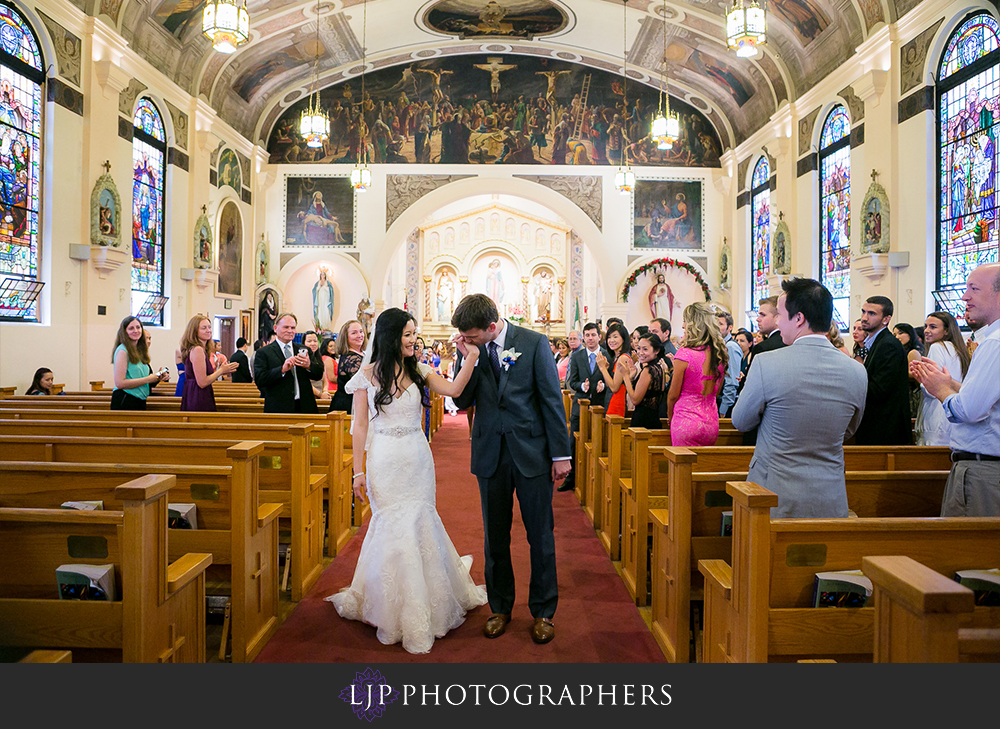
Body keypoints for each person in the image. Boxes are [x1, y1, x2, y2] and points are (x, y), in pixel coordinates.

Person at [325, 308, 487, 654]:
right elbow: (360, 427)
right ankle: (391, 605)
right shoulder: (365, 376)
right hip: (384, 458)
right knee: (390, 524)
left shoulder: (421, 370)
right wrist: (358, 470)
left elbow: (456, 389)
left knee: (420, 520)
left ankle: (426, 600)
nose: (413, 340)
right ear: (390, 336)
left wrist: (470, 356)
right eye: (407, 334)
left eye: (415, 333)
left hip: (416, 458)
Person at [451, 294, 571, 645]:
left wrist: (560, 454)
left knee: (540, 536)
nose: (466, 339)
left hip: (532, 452)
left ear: (491, 326)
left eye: (471, 335)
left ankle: (544, 611)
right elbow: (461, 400)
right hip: (491, 453)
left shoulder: (533, 343)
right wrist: (467, 356)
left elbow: (550, 398)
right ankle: (500, 607)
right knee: (495, 537)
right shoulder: (471, 349)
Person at [732, 278, 868, 517]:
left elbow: (741, 421)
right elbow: (849, 430)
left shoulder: (768, 363)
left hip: (774, 494)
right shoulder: (856, 370)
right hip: (830, 495)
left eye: (780, 314)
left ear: (799, 318)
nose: (777, 321)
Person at [911, 263, 1000, 517]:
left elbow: (969, 411)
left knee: (970, 554)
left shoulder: (994, 342)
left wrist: (940, 390)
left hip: (984, 470)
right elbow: (990, 400)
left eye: (974, 289)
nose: (964, 297)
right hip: (989, 467)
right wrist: (953, 385)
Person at [667, 302, 728, 446]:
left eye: (685, 321)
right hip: (711, 423)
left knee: (682, 468)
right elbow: (716, 391)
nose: (683, 326)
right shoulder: (719, 354)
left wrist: (671, 416)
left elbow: (673, 395)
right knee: (703, 467)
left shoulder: (685, 354)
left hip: (686, 421)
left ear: (693, 324)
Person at [854, 296, 913, 445]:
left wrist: (851, 378)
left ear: (886, 319)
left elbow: (879, 389)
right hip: (877, 425)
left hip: (885, 428)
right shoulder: (877, 342)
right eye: (863, 312)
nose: (864, 318)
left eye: (872, 314)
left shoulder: (888, 345)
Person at [561, 322, 609, 492]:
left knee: (597, 443)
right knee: (573, 443)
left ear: (599, 337)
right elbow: (572, 382)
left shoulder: (606, 355)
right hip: (579, 405)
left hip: (598, 406)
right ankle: (571, 478)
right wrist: (582, 386)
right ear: (584, 337)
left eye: (593, 335)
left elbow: (612, 382)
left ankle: (594, 483)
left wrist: (604, 386)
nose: (590, 338)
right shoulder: (578, 356)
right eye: (587, 335)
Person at [915, 311, 969, 446]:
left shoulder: (937, 347)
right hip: (954, 412)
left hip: (937, 414)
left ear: (946, 331)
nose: (926, 331)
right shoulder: (959, 350)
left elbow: (931, 388)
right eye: (925, 327)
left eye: (933, 327)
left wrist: (920, 380)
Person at [253, 312, 324, 413]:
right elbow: (260, 379)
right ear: (275, 328)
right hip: (279, 407)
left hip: (305, 405)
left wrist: (309, 366)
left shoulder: (304, 349)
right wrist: (282, 370)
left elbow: (318, 374)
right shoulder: (264, 352)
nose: (290, 331)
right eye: (286, 327)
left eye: (293, 328)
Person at [739, 297, 787, 445]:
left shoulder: (764, 347)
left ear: (777, 317)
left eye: (763, 315)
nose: (758, 319)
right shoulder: (790, 343)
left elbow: (752, 387)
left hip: (763, 423)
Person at [180, 315, 238, 412]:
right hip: (198, 396)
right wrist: (221, 370)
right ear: (194, 331)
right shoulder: (197, 350)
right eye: (204, 328)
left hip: (195, 394)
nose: (208, 330)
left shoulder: (200, 349)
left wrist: (222, 371)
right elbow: (202, 382)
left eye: (209, 327)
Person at [111, 315, 168, 410]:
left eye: (138, 327)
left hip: (140, 399)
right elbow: (120, 383)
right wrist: (148, 379)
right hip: (126, 399)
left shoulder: (139, 351)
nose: (136, 331)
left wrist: (157, 378)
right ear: (124, 331)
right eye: (131, 328)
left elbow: (139, 378)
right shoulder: (123, 351)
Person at [622, 332, 669, 429]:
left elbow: (635, 400)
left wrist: (625, 376)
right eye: (639, 348)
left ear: (656, 350)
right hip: (654, 419)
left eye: (645, 349)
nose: (640, 353)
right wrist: (632, 376)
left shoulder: (648, 371)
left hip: (642, 421)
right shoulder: (660, 368)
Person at [593, 322, 633, 418]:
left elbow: (615, 388)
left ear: (623, 339)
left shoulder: (623, 358)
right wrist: (606, 369)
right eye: (609, 337)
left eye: (615, 337)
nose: (611, 340)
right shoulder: (616, 358)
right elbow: (610, 384)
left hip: (617, 402)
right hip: (611, 399)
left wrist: (602, 368)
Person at [329, 319, 367, 413]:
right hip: (348, 405)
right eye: (354, 333)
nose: (359, 335)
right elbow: (362, 383)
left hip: (356, 402)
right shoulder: (351, 358)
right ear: (346, 337)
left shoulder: (361, 354)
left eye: (361, 331)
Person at [715, 310, 743, 417]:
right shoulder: (721, 345)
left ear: (730, 327)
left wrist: (723, 410)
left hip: (725, 404)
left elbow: (732, 382)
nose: (717, 327)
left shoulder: (730, 347)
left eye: (721, 324)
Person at [894, 322, 924, 418]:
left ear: (910, 334)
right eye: (894, 335)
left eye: (900, 333)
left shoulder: (913, 352)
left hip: (913, 394)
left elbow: (915, 374)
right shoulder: (903, 351)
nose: (897, 337)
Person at [302, 330, 324, 399]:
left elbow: (325, 379)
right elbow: (305, 382)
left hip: (321, 393)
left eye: (315, 341)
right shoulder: (302, 360)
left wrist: (325, 391)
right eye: (309, 341)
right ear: (304, 343)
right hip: (309, 395)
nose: (313, 344)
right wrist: (320, 394)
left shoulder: (320, 359)